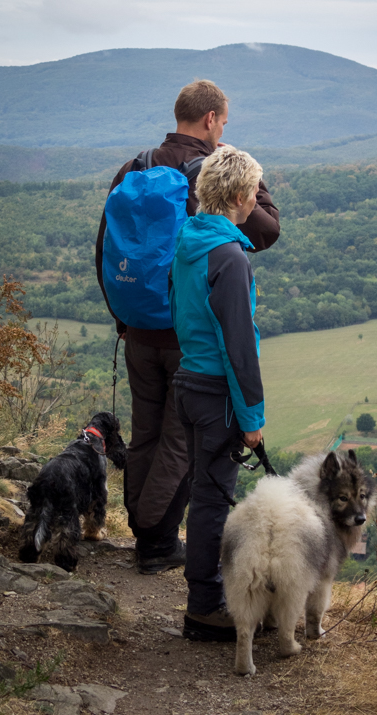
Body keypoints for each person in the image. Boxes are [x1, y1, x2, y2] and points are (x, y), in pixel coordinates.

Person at [95, 80, 279, 574]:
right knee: (180, 446)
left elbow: (106, 249)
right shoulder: (205, 174)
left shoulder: (134, 167)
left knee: (145, 435)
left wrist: (123, 318)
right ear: (212, 120)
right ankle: (154, 542)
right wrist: (251, 176)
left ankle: (145, 530)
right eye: (225, 122)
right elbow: (265, 231)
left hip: (136, 331)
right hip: (185, 340)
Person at [169, 145, 265, 642]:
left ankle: (205, 601)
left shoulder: (188, 241)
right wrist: (252, 416)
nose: (255, 199)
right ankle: (205, 609)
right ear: (239, 196)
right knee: (212, 502)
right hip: (215, 396)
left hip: (187, 384)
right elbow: (239, 346)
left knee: (203, 496)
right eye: (253, 191)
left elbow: (178, 314)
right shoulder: (228, 256)